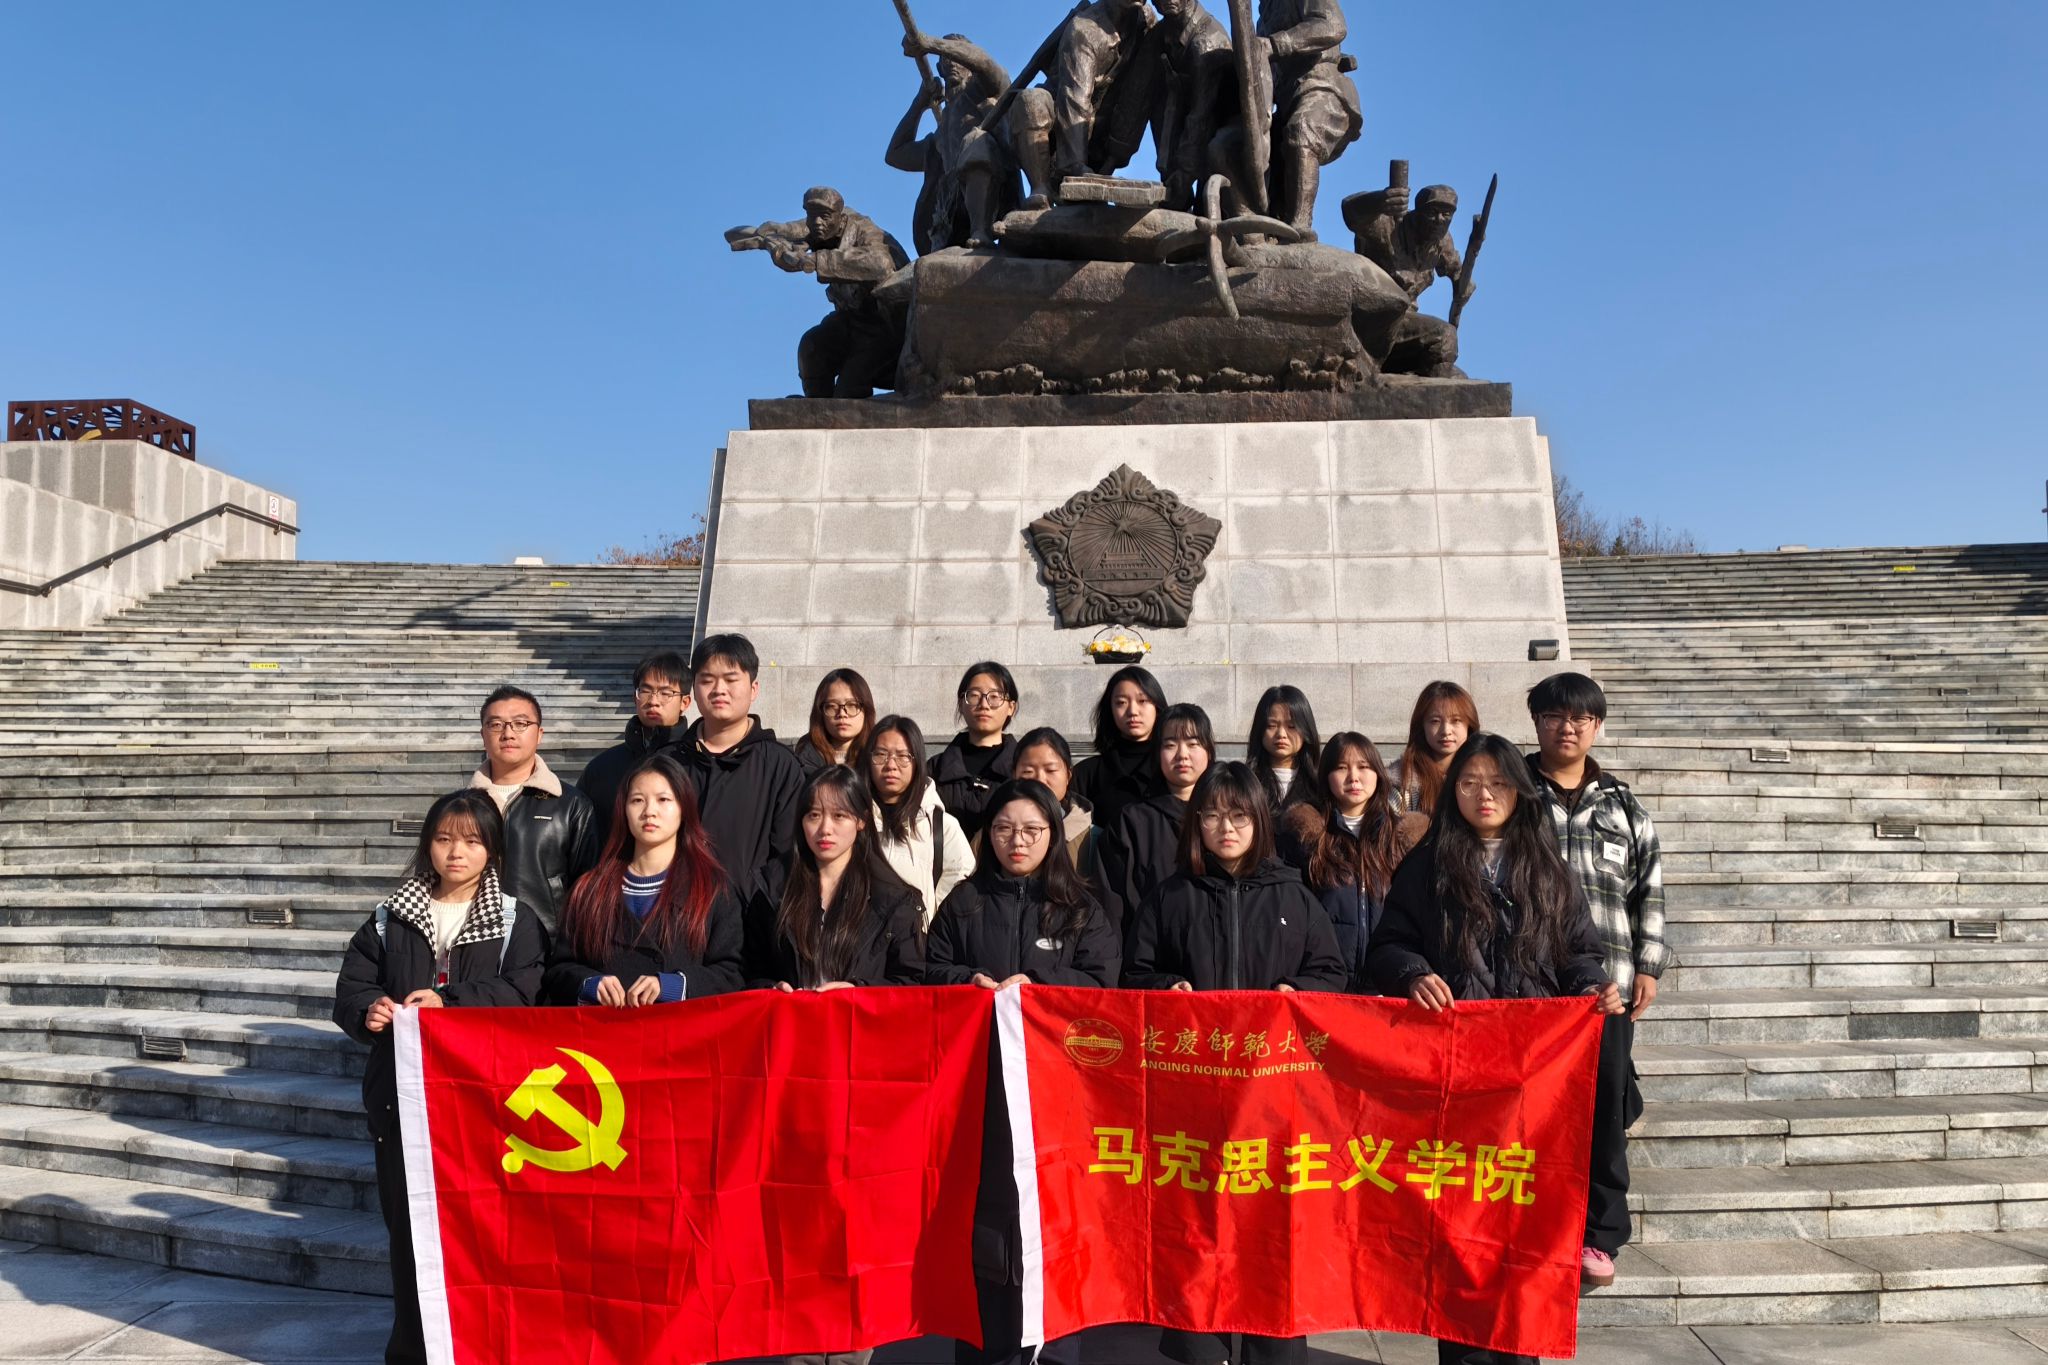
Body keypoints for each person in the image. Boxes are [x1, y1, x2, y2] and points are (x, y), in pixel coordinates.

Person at [1364, 732, 1627, 1365]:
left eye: (1499, 783)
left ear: (1520, 791)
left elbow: (1578, 952)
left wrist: (1591, 986)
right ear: (1452, 791)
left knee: (1521, 1227)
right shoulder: (1427, 866)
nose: (1485, 795)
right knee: (1462, 1231)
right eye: (1470, 783)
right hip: (1459, 1075)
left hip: (1532, 1078)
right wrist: (1412, 973)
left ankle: (1520, 1350)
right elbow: (1387, 947)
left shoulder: (1547, 868)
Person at [1123, 761, 1344, 1365]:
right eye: (1214, 815)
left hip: (1275, 1105)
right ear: (1196, 823)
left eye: (1240, 816)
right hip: (1193, 1105)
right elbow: (1135, 975)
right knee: (1198, 1238)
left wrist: (1297, 993)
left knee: (1273, 1240)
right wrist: (1165, 988)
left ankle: (1274, 1347)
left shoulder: (1293, 896)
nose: (1226, 828)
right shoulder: (1171, 896)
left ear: (1260, 822)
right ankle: (1200, 1347)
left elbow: (1331, 973)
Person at [333, 789, 544, 1365]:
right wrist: (369, 1010)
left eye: (472, 840)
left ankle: (484, 1348)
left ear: (493, 850)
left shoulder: (513, 920)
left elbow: (524, 992)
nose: (457, 852)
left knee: (483, 1238)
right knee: (411, 1236)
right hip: (404, 1103)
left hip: (483, 1105)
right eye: (445, 838)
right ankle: (414, 1352)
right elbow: (352, 987)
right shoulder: (390, 915)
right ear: (427, 844)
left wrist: (450, 1002)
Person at [927, 777, 1117, 1365]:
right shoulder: (964, 902)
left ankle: (1055, 1344)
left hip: (1057, 1097)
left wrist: (1039, 989)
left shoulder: (1080, 908)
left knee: (1053, 1222)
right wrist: (968, 984)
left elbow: (1102, 987)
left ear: (1053, 836)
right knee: (984, 1227)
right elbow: (931, 971)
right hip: (981, 1094)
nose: (1018, 841)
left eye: (1032, 830)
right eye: (1005, 828)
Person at [1524, 673, 1668, 1293]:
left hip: (1605, 991)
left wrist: (1648, 964)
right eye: (1556, 716)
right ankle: (1534, 1226)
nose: (1568, 727)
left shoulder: (1623, 807)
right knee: (1532, 1114)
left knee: (1605, 1114)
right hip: (1530, 987)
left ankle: (1599, 1236)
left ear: (1597, 727)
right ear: (1537, 722)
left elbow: (1648, 889)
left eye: (1581, 718)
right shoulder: (1514, 794)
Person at [544, 752, 746, 1007]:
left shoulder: (711, 888)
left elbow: (731, 973)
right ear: (623, 809)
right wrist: (589, 984)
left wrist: (674, 986)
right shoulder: (590, 889)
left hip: (679, 1029)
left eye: (663, 800)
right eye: (637, 800)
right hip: (608, 1029)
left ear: (683, 808)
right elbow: (560, 970)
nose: (649, 811)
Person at [749, 766, 925, 994]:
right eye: (814, 815)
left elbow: (911, 983)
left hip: (857, 1016)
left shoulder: (893, 900)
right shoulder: (773, 888)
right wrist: (769, 988)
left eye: (839, 816)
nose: (825, 829)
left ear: (861, 820)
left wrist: (858, 990)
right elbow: (749, 971)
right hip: (792, 1015)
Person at [725, 187, 910, 398]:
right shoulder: (821, 226)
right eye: (811, 216)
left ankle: (840, 408)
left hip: (888, 328)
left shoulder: (865, 231)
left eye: (824, 216)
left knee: (849, 387)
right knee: (812, 346)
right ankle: (814, 404)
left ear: (840, 218)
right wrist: (773, 234)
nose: (817, 223)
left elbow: (880, 263)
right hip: (853, 321)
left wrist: (815, 260)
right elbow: (797, 230)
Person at [1280, 732, 1429, 989]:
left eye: (1363, 767)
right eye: (1341, 768)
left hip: (1389, 987)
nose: (1354, 777)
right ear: (1326, 775)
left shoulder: (1402, 840)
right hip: (1325, 986)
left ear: (1378, 773)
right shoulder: (1306, 837)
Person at [674, 633, 806, 909]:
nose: (719, 689)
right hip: (675, 916)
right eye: (707, 680)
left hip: (749, 920)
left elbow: (788, 855)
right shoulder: (668, 762)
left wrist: (751, 906)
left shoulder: (780, 765)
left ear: (753, 689)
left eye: (731, 679)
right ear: (694, 688)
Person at [470, 685, 599, 938]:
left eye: (521, 723)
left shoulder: (571, 805)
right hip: (472, 942)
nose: (508, 733)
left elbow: (588, 888)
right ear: (483, 734)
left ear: (539, 734)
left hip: (545, 943)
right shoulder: (460, 806)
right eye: (496, 725)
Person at [890, 28, 1027, 251]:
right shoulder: (942, 134)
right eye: (946, 59)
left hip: (998, 195)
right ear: (939, 69)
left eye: (957, 56)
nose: (952, 63)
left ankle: (981, 231)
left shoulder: (986, 89)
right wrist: (919, 103)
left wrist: (928, 43)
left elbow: (983, 61)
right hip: (953, 215)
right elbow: (896, 154)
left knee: (976, 142)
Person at [1102, 702, 1214, 938]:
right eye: (1170, 744)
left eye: (1193, 744)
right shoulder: (1131, 823)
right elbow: (1113, 905)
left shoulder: (1230, 820)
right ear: (1156, 753)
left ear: (1209, 752)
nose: (1182, 754)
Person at [1343, 180, 1470, 376]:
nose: (1439, 220)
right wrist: (1380, 200)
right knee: (1445, 336)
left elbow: (1456, 271)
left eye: (1446, 214)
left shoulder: (1441, 240)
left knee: (1457, 377)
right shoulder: (1388, 227)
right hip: (1373, 324)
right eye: (1432, 212)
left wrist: (1463, 284)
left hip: (1403, 332)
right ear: (1418, 212)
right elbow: (1351, 212)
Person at [867, 715, 974, 926]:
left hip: (918, 941)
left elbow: (960, 888)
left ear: (917, 761)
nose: (891, 765)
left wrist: (929, 929)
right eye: (880, 754)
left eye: (903, 756)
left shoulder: (943, 826)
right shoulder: (851, 820)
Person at [578, 650, 690, 850]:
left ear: (685, 702)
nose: (653, 701)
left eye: (665, 693)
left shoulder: (695, 763)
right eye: (646, 691)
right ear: (635, 697)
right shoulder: (601, 767)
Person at [1011, 726, 1117, 919]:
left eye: (1050, 770)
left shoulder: (1094, 839)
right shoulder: (994, 833)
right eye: (1028, 771)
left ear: (1068, 776)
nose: (1040, 780)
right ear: (1014, 775)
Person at [1072, 664, 1168, 833]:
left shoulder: (1173, 767)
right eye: (1121, 702)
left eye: (1142, 701)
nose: (1133, 711)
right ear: (1110, 710)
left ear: (1157, 708)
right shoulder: (1086, 775)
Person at [931, 661, 1020, 839]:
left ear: (1011, 707)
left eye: (994, 696)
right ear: (961, 704)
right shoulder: (934, 769)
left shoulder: (1023, 767)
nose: (984, 704)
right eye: (974, 695)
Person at [1391, 679, 1480, 817]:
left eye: (1456, 720)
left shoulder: (1486, 776)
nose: (1446, 731)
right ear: (1422, 726)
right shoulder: (1402, 783)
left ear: (1470, 725)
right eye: (1435, 721)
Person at [1246, 684, 1322, 812]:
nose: (1281, 734)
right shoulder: (1245, 783)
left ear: (1305, 730)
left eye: (1291, 726)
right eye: (1271, 726)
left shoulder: (1320, 786)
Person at [794, 667, 876, 774]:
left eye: (852, 705)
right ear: (820, 712)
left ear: (867, 711)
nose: (842, 714)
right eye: (832, 706)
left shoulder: (880, 759)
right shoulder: (802, 761)